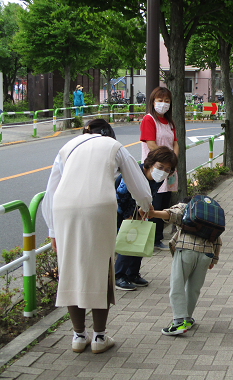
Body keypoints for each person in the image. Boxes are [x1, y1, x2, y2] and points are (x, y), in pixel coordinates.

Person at [42, 119, 152, 354]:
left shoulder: (67, 147)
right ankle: (99, 338)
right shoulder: (115, 147)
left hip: (64, 208)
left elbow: (51, 190)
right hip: (99, 207)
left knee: (71, 268)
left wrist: (52, 230)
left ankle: (78, 336)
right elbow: (140, 185)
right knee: (103, 267)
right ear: (109, 134)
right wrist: (145, 207)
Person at [139, 197, 222, 336]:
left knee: (177, 285)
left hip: (186, 249)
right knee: (193, 288)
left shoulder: (186, 206)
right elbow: (218, 239)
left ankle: (178, 322)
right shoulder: (210, 214)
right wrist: (214, 259)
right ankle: (187, 319)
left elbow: (172, 215)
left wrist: (153, 214)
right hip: (206, 254)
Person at [115, 146, 178, 291]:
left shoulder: (158, 178)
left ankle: (133, 274)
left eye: (167, 169)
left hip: (139, 211)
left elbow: (150, 194)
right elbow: (121, 196)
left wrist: (146, 209)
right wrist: (128, 216)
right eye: (160, 166)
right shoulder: (134, 174)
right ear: (150, 163)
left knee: (139, 241)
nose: (163, 172)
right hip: (121, 212)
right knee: (128, 241)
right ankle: (119, 275)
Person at [140, 86, 179, 250]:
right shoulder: (149, 119)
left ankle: (157, 237)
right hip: (155, 168)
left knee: (164, 200)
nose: (163, 104)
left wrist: (173, 160)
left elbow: (175, 143)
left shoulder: (170, 122)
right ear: (153, 101)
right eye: (160, 100)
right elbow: (150, 144)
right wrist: (166, 159)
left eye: (167, 101)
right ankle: (152, 239)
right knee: (154, 200)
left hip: (168, 168)